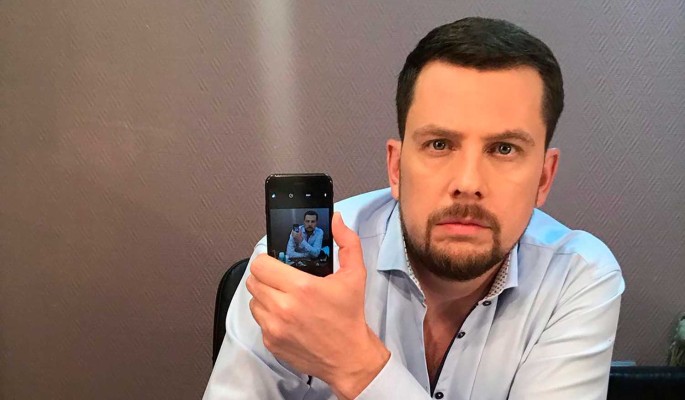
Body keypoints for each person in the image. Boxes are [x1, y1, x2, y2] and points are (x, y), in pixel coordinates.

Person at [204, 17, 624, 399]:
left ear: (544, 178)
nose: (468, 183)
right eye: (439, 144)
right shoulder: (294, 272)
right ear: (396, 167)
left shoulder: (576, 278)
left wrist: (355, 364)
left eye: (504, 149)